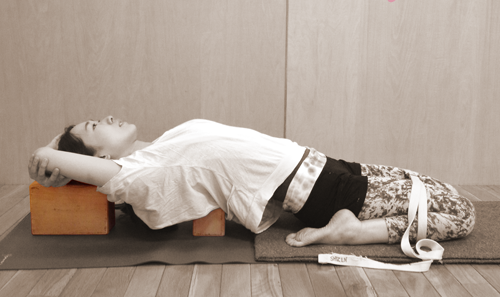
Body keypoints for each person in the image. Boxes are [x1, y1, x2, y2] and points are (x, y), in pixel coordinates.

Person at [29, 116, 475, 247]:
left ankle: (356, 225)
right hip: (320, 192)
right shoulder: (141, 175)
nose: (106, 117)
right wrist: (52, 157)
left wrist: (63, 149)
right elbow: (95, 174)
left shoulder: (157, 148)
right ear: (101, 158)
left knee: (445, 192)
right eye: (94, 126)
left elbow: (98, 160)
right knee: (462, 214)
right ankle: (353, 232)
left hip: (326, 166)